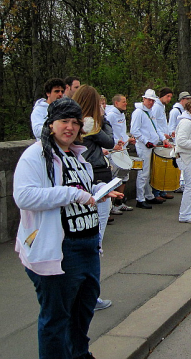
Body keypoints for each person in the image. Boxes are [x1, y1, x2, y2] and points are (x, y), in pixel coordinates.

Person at [14, 97, 122, 359]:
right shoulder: (37, 154)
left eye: (75, 123)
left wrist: (98, 191)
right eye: (64, 121)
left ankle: (78, 354)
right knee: (56, 318)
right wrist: (72, 194)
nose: (70, 127)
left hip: (87, 247)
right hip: (60, 250)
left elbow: (80, 189)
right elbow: (24, 196)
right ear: (51, 124)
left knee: (82, 311)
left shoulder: (76, 155)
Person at [73, 85, 115, 312]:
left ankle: (86, 293)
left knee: (89, 239)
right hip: (96, 176)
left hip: (90, 176)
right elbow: (109, 140)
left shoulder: (80, 123)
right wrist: (103, 117)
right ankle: (90, 295)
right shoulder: (91, 123)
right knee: (95, 240)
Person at [130, 89, 168, 209]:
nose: (151, 102)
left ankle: (148, 195)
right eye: (149, 100)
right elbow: (134, 131)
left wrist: (163, 138)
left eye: (152, 100)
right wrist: (146, 142)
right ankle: (140, 198)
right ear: (144, 99)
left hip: (151, 145)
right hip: (143, 146)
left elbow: (156, 128)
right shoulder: (138, 113)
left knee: (148, 172)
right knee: (143, 173)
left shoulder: (150, 112)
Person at [104, 94, 136, 213]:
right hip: (115, 150)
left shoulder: (122, 114)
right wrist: (116, 142)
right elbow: (109, 133)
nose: (125, 103)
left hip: (123, 149)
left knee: (124, 176)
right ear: (116, 103)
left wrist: (128, 139)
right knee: (116, 176)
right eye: (123, 101)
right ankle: (111, 205)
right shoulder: (111, 115)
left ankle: (119, 202)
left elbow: (121, 132)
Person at [151, 87, 175, 200]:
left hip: (163, 137)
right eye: (168, 96)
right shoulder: (156, 107)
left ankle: (162, 191)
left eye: (170, 97)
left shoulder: (162, 106)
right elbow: (155, 124)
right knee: (159, 167)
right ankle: (156, 192)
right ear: (162, 95)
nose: (169, 99)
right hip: (159, 139)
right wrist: (161, 135)